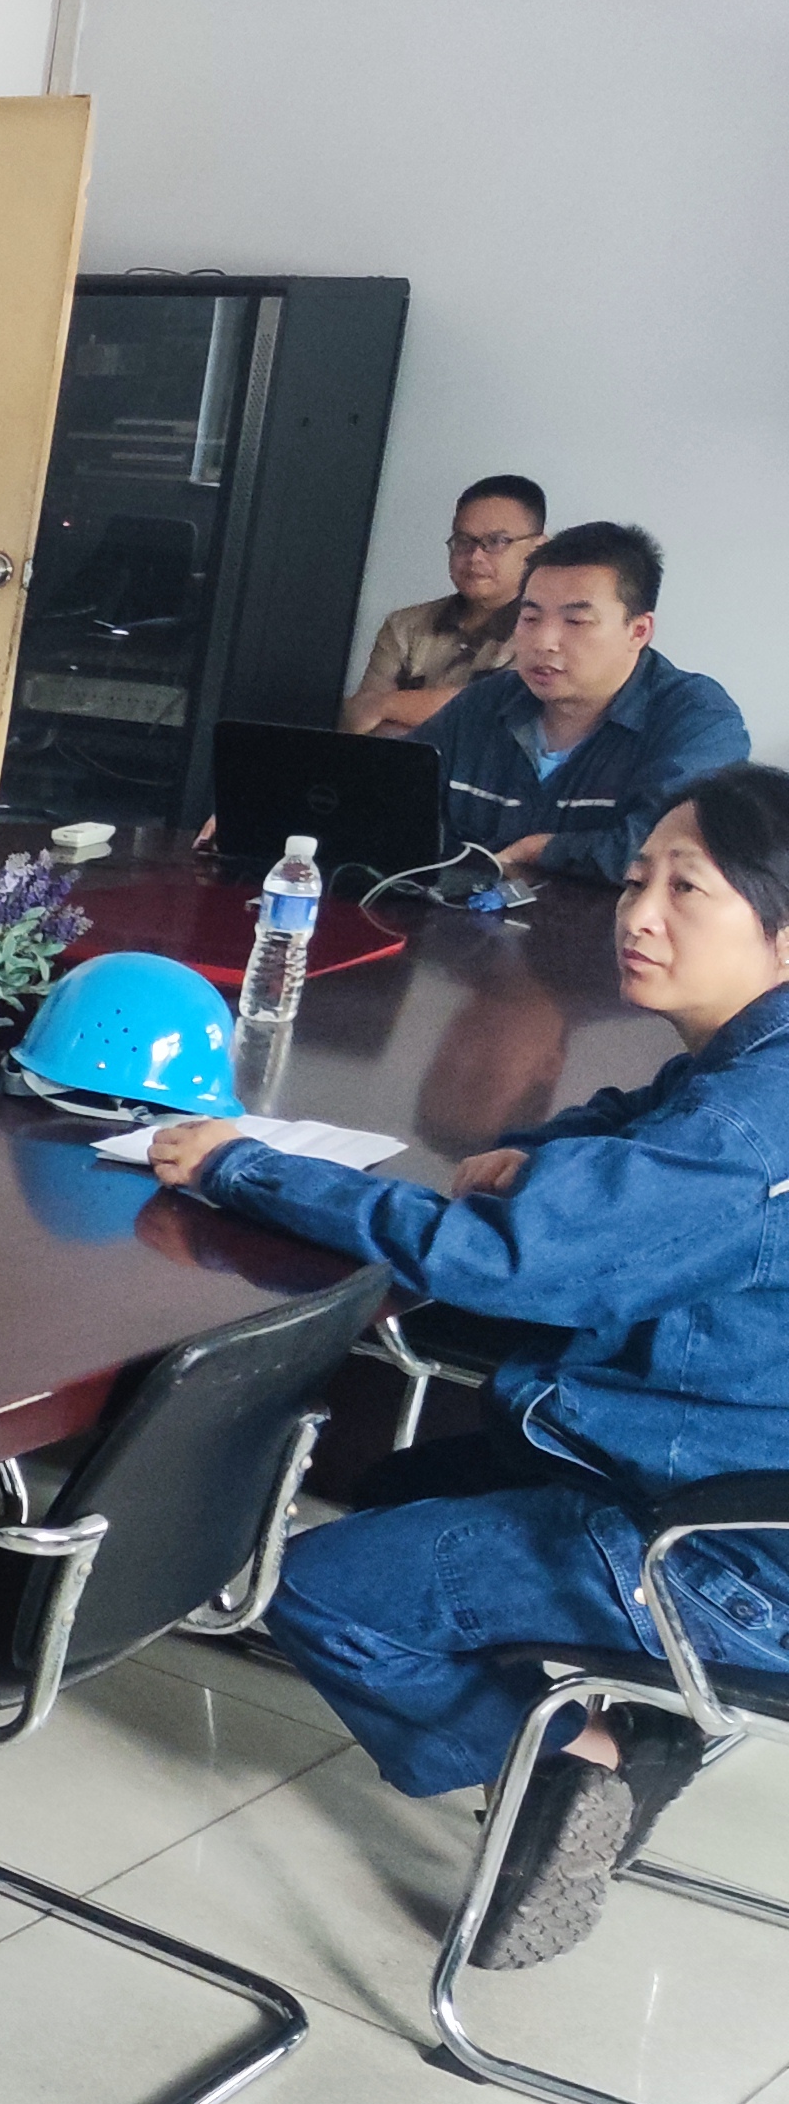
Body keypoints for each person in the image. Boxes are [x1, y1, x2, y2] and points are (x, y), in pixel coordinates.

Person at [145, 762, 789, 1967]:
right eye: (636, 878)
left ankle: (588, 1760)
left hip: (725, 1549)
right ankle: (612, 1727)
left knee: (322, 1589)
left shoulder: (747, 1128)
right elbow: (637, 1122)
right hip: (734, 1481)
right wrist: (541, 1151)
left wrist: (241, 1166)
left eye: (685, 889)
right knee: (401, 1489)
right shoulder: (754, 1066)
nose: (638, 913)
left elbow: (497, 1261)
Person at [408, 521, 749, 883]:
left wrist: (539, 851)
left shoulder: (699, 718)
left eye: (576, 621)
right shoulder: (485, 703)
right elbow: (392, 801)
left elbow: (668, 852)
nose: (544, 642)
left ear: (638, 631)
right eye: (530, 618)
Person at [341, 475, 541, 735]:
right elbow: (360, 719)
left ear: (538, 548)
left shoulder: (544, 632)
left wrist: (388, 705)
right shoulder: (405, 626)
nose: (475, 556)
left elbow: (500, 719)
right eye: (464, 541)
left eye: (496, 542)